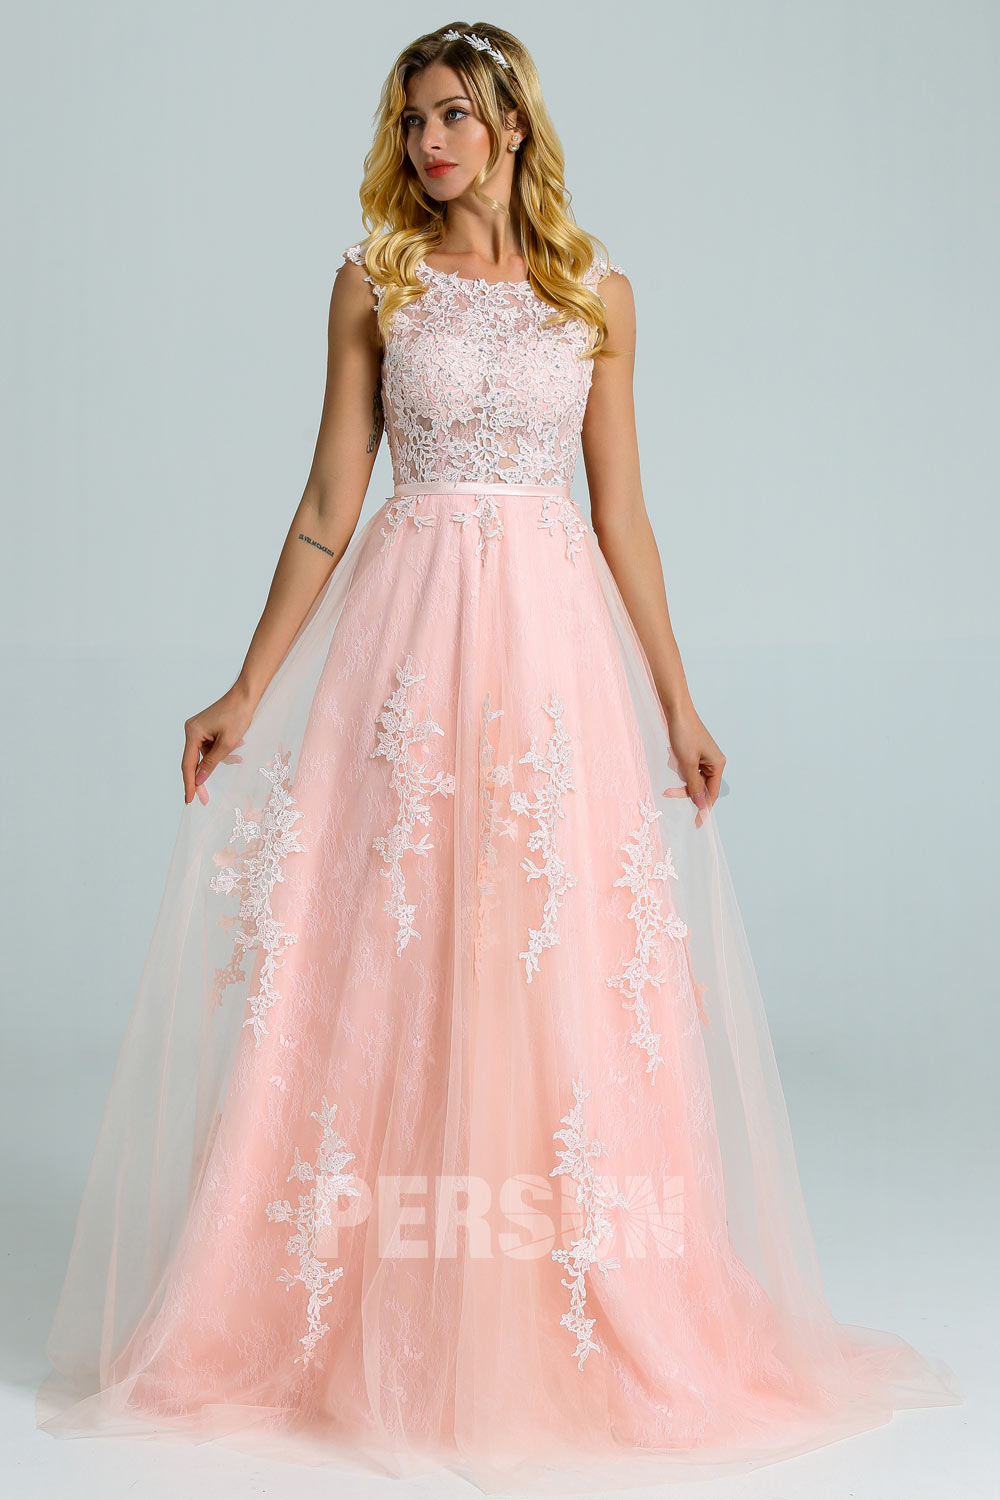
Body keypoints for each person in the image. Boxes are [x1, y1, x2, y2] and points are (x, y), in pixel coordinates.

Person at [36, 22, 962, 1494]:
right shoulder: (375, 283)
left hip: (547, 657)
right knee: (392, 949)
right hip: (406, 647)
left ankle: (550, 1301)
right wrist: (247, 686)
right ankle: (363, 1296)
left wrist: (678, 701)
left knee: (546, 957)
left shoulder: (596, 294)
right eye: (414, 119)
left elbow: (623, 513)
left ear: (515, 126)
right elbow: (330, 501)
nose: (431, 144)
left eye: (457, 115)